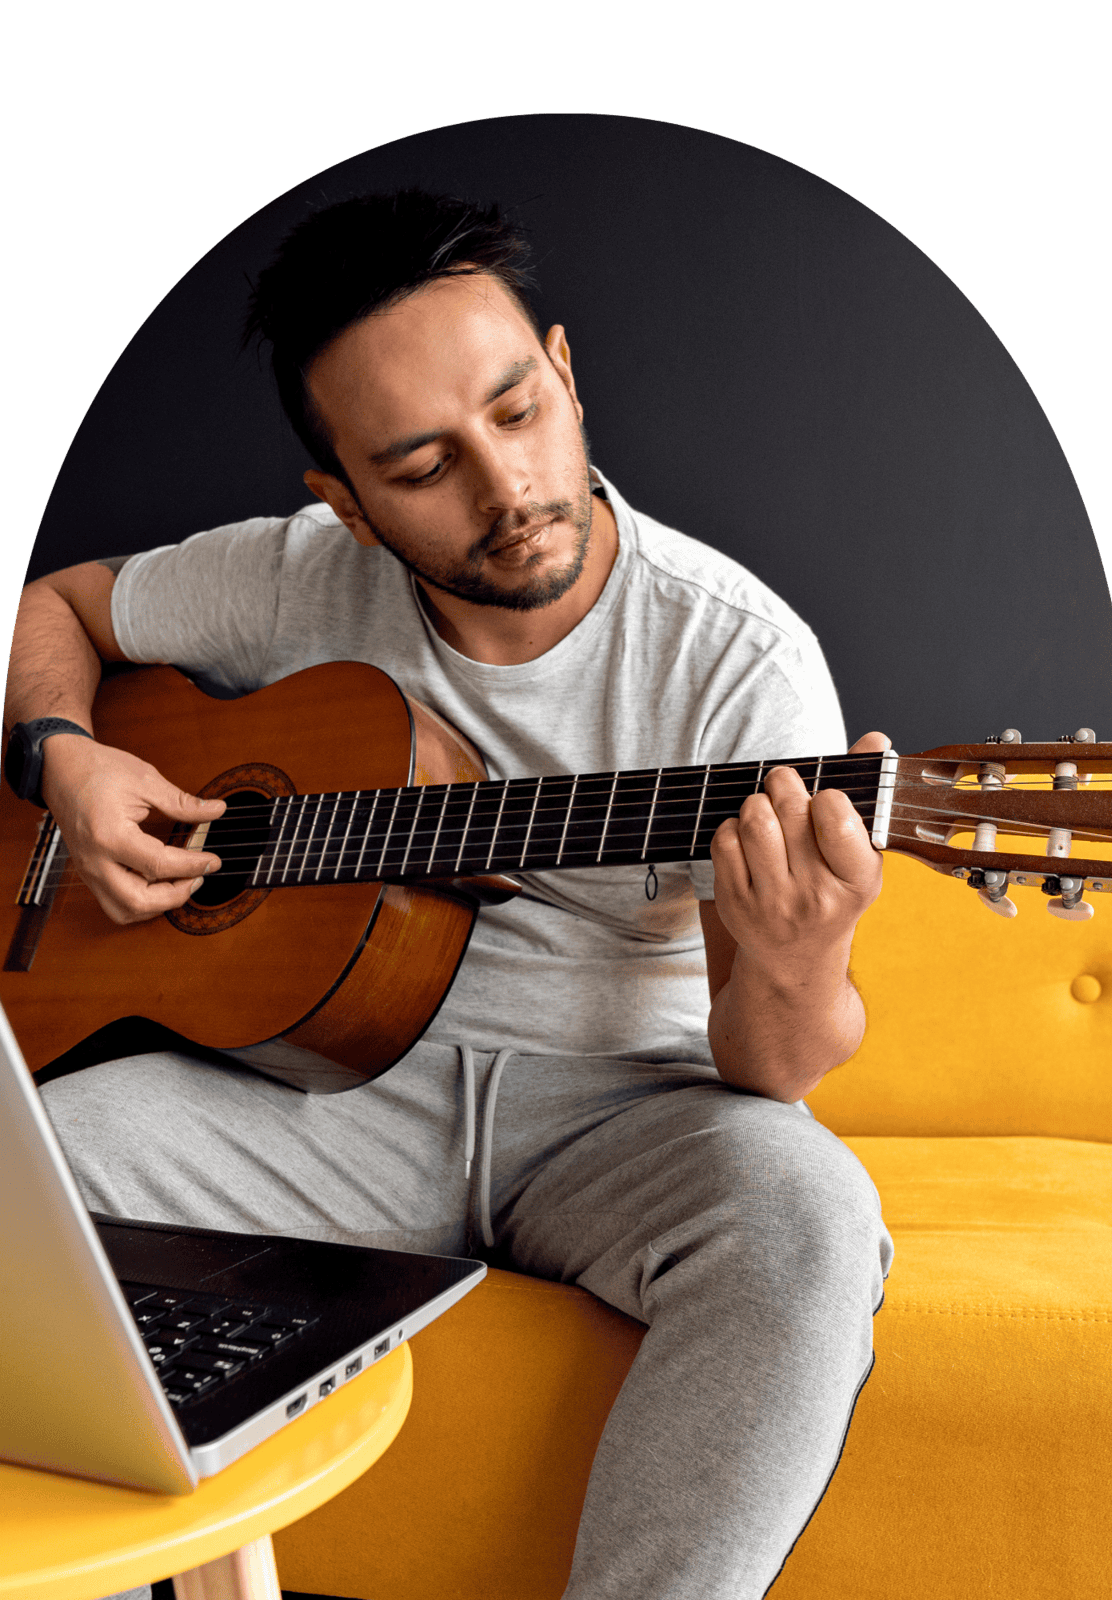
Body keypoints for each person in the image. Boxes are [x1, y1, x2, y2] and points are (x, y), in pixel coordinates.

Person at [6, 191, 893, 1600]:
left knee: (807, 1219)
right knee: (25, 1188)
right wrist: (64, 759)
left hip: (623, 1107)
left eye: (518, 411)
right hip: (325, 1099)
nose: (505, 488)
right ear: (344, 505)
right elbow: (55, 605)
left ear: (564, 370)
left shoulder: (736, 658)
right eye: (422, 466)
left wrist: (800, 956)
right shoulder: (293, 579)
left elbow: (769, 1065)